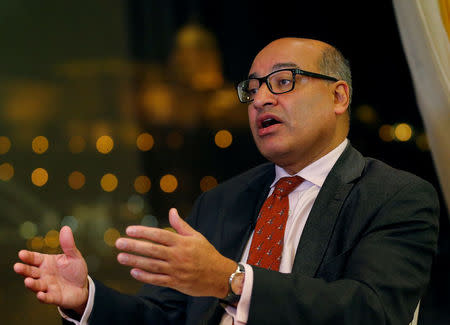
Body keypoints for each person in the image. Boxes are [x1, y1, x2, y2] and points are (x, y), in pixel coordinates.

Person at [14, 37, 439, 325]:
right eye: (252, 89)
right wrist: (85, 297)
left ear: (339, 96)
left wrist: (231, 281)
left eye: (283, 82)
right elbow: (163, 316)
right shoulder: (222, 201)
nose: (261, 99)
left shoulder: (394, 196)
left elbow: (373, 312)